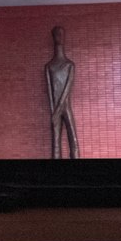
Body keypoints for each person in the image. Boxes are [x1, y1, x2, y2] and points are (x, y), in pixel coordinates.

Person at [45, 25, 80, 159]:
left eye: (61, 34)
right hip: (54, 110)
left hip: (65, 108)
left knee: (74, 141)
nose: (59, 37)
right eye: (56, 34)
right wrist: (53, 113)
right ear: (53, 37)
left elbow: (67, 89)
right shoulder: (48, 67)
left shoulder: (69, 65)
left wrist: (58, 111)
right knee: (55, 143)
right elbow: (49, 92)